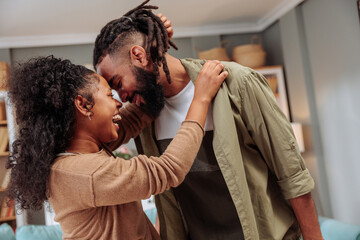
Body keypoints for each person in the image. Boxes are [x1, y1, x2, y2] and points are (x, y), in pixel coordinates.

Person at [92, 1, 325, 240]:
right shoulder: (145, 114)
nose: (122, 97)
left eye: (119, 83)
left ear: (139, 55)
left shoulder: (238, 83)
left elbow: (292, 174)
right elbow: (89, 145)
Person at [6, 55, 227, 239]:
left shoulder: (80, 153)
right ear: (83, 105)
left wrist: (153, 56)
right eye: (110, 95)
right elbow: (169, 169)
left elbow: (137, 115)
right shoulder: (84, 172)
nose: (119, 102)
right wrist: (201, 99)